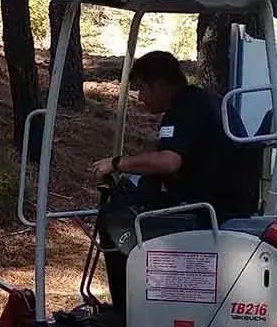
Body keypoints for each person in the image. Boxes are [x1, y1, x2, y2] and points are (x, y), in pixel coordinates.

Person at [87, 50, 254, 221]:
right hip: (228, 199)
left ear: (159, 85)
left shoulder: (186, 109)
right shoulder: (206, 101)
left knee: (124, 213)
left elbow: (168, 162)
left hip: (209, 207)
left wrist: (117, 163)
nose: (140, 98)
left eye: (142, 89)